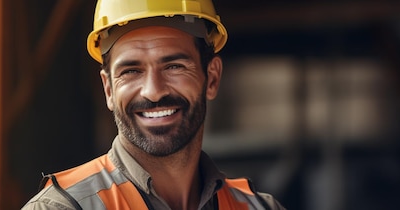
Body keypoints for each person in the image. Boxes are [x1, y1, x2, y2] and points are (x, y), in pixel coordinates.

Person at [22, 0, 285, 209]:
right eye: (131, 71)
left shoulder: (259, 207)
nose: (154, 92)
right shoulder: (64, 207)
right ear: (109, 89)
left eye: (174, 66)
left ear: (212, 78)